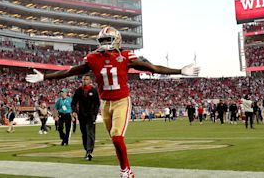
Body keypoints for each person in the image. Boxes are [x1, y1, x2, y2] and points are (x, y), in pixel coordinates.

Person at [26, 26, 199, 177]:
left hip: (121, 101)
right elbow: (71, 71)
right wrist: (45, 77)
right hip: (105, 103)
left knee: (117, 136)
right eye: (103, 40)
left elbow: (151, 67)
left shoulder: (125, 56)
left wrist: (179, 70)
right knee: (115, 139)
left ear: (117, 40)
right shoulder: (93, 58)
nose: (105, 43)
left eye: (108, 39)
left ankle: (126, 171)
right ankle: (124, 169)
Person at [72, 74, 100, 161]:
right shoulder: (78, 91)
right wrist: (74, 111)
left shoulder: (94, 91)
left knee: (90, 133)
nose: (85, 81)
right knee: (84, 133)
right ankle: (86, 150)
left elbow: (97, 103)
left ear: (90, 81)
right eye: (84, 79)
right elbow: (73, 103)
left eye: (86, 79)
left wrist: (95, 114)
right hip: (81, 116)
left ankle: (89, 151)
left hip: (91, 116)